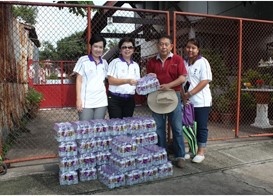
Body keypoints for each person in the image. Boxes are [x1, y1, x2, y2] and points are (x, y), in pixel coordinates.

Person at [146, 34, 189, 169]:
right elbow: (148, 79)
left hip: (173, 95)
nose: (163, 47)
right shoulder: (152, 62)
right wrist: (149, 76)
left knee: (176, 127)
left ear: (171, 46)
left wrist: (169, 85)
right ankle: (161, 154)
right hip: (156, 96)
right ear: (157, 46)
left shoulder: (178, 59)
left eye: (166, 44)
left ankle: (180, 156)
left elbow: (182, 78)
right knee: (159, 127)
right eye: (161, 44)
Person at [182, 38, 212, 163]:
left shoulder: (203, 62)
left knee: (201, 127)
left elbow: (205, 81)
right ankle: (191, 149)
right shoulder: (184, 62)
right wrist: (183, 96)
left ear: (198, 49)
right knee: (189, 127)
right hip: (188, 102)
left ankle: (201, 151)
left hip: (201, 102)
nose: (190, 50)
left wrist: (189, 93)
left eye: (193, 48)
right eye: (188, 47)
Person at [73, 34, 108, 121]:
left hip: (101, 102)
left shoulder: (105, 63)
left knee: (99, 128)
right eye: (95, 46)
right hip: (86, 102)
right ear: (90, 46)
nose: (98, 49)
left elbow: (105, 81)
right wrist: (78, 99)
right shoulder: (83, 60)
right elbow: (79, 80)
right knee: (85, 129)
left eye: (101, 47)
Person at [107, 37, 140, 119]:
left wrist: (149, 78)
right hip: (115, 99)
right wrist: (127, 81)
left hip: (130, 99)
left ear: (133, 49)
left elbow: (138, 82)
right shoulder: (115, 62)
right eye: (124, 47)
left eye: (130, 47)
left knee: (127, 125)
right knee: (116, 126)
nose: (127, 49)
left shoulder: (135, 65)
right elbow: (111, 81)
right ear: (120, 50)